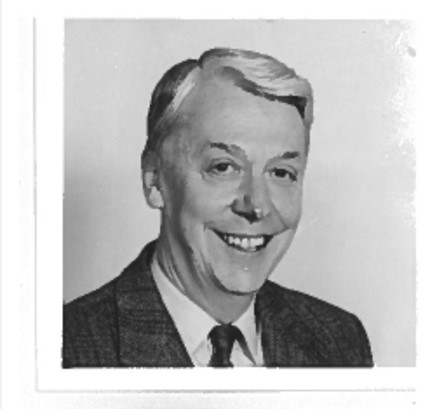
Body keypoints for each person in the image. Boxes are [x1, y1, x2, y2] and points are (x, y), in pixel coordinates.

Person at [63, 48, 373, 367]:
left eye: (281, 172)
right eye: (223, 167)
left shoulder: (340, 339)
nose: (257, 205)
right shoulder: (65, 351)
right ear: (155, 181)